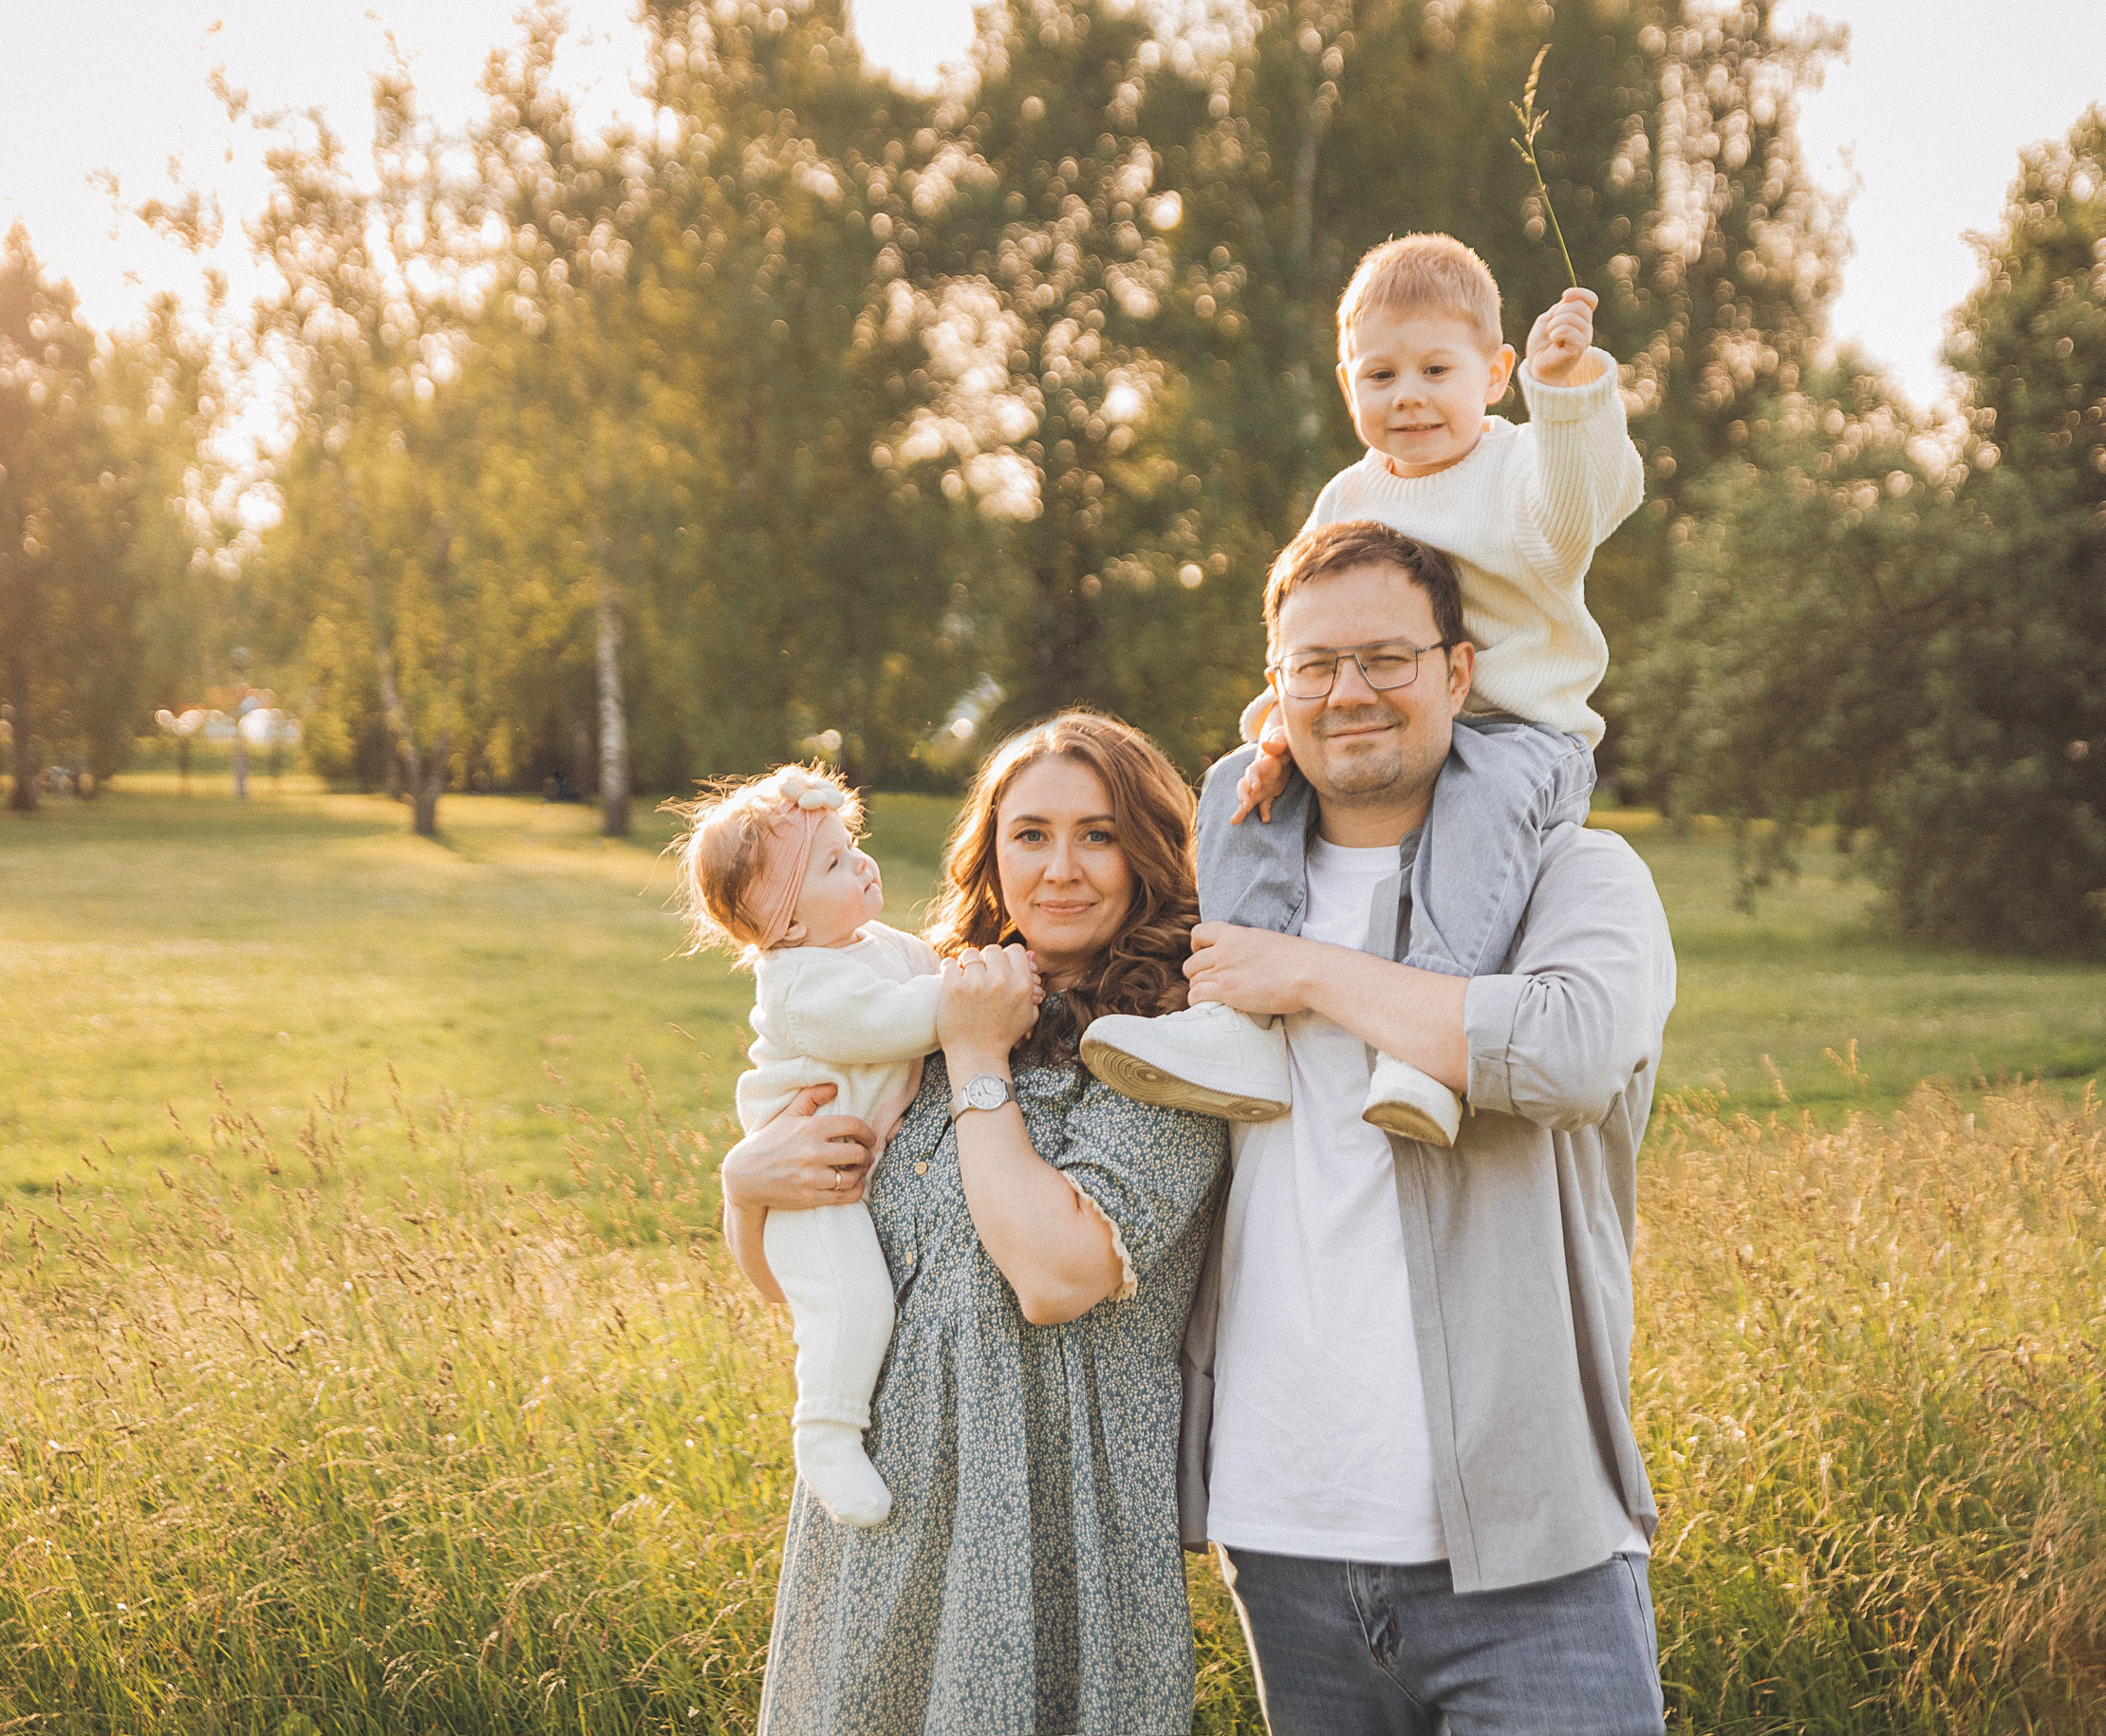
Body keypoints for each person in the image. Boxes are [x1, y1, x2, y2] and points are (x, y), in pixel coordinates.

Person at [1165, 523, 1677, 1732]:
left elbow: (1563, 1051)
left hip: (1529, 1543)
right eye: (1314, 663)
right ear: (1275, 689)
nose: (1349, 690)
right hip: (1282, 1536)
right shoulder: (1221, 897)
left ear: (1457, 671)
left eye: (1386, 657)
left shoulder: (1577, 874)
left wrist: (1307, 974)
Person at [722, 711, 1230, 1735]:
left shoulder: (1175, 1041)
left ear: (1146, 851)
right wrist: (745, 1187)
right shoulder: (920, 1003)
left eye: (1098, 834)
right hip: (879, 1517)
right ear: (992, 853)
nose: (1060, 868)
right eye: (1030, 834)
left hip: (1046, 1526)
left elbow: (1053, 1274)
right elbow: (800, 1279)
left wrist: (975, 1055)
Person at [1083, 233, 1644, 1149]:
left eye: (1436, 370)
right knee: (1234, 788)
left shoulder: (1518, 467)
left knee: (1479, 802)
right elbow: (1307, 626)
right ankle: (1234, 1021)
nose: (1408, 395)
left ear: (1495, 373)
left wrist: (1568, 393)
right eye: (1380, 375)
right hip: (1383, 716)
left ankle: (1425, 1045)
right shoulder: (1347, 497)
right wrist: (1278, 735)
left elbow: (1584, 508)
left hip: (1522, 733)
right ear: (1348, 386)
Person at [665, 764, 956, 1529]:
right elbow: (901, 1018)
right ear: (788, 925)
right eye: (832, 863)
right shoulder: (801, 982)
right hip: (802, 1184)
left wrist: (966, 968)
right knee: (852, 1298)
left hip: (832, 1168)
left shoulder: (871, 942)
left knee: (860, 1296)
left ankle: (834, 1431)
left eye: (850, 844)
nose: (862, 862)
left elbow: (931, 967)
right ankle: (825, 1433)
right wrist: (977, 994)